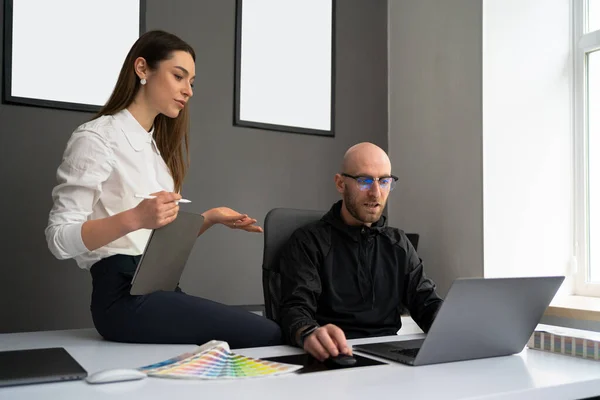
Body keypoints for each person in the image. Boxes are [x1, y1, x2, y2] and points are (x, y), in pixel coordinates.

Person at [45, 30, 281, 348]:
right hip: (122, 300)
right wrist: (136, 218)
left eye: (192, 82)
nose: (188, 91)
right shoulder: (96, 138)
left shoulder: (156, 152)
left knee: (263, 329)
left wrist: (207, 219)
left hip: (160, 288)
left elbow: (152, 241)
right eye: (179, 76)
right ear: (142, 69)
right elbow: (59, 238)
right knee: (269, 333)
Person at [278, 142, 443, 360]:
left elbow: (426, 303)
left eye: (384, 181)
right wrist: (309, 333)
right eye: (364, 181)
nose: (376, 193)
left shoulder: (398, 243)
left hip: (389, 358)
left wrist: (460, 325)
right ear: (340, 183)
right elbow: (296, 309)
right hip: (334, 355)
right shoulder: (309, 241)